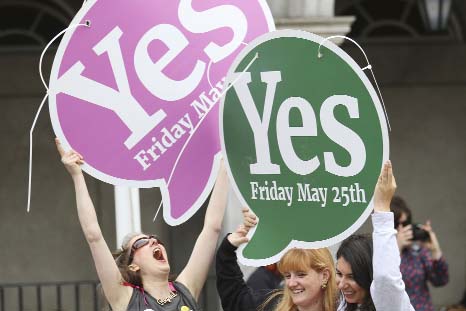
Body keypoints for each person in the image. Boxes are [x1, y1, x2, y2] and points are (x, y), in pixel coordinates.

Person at [56, 138, 229, 311]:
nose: (153, 241)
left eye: (154, 238)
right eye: (141, 243)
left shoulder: (186, 290)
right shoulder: (125, 299)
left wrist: (226, 162)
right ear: (133, 266)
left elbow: (212, 228)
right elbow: (94, 236)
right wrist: (77, 176)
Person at [216, 161, 414, 311]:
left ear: (324, 276)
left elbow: (386, 280)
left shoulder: (363, 304)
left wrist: (381, 211)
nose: (292, 283)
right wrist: (229, 247)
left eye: (301, 274)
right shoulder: (278, 304)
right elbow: (236, 300)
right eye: (287, 275)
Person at [390, 196, 449, 311]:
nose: (402, 229)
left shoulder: (417, 251)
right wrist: (396, 248)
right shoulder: (379, 252)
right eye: (397, 224)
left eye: (406, 223)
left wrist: (435, 251)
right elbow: (383, 282)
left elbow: (441, 280)